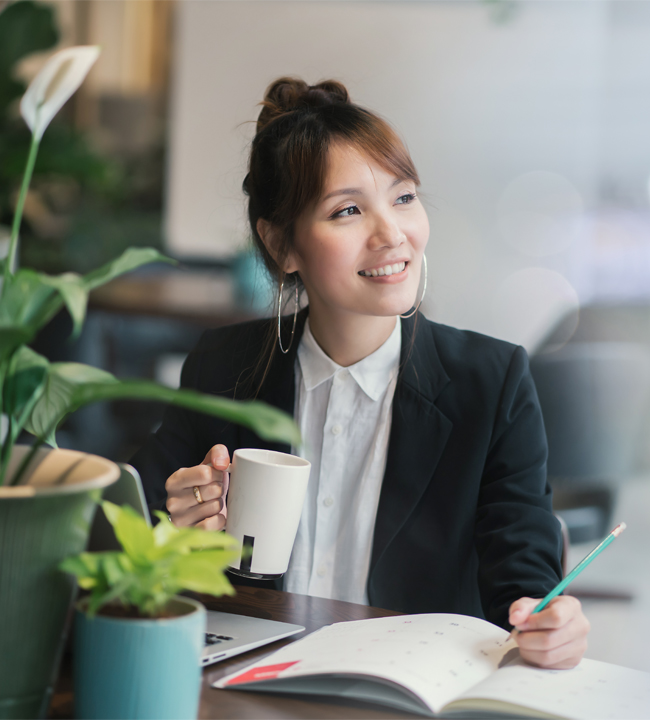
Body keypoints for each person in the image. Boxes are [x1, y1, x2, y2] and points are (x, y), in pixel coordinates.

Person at [131, 77, 590, 669]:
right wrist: (173, 521)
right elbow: (126, 525)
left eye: (403, 198)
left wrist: (549, 622)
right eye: (348, 210)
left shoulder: (491, 381)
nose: (393, 234)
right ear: (280, 245)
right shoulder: (224, 366)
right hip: (249, 685)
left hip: (408, 691)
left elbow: (522, 579)